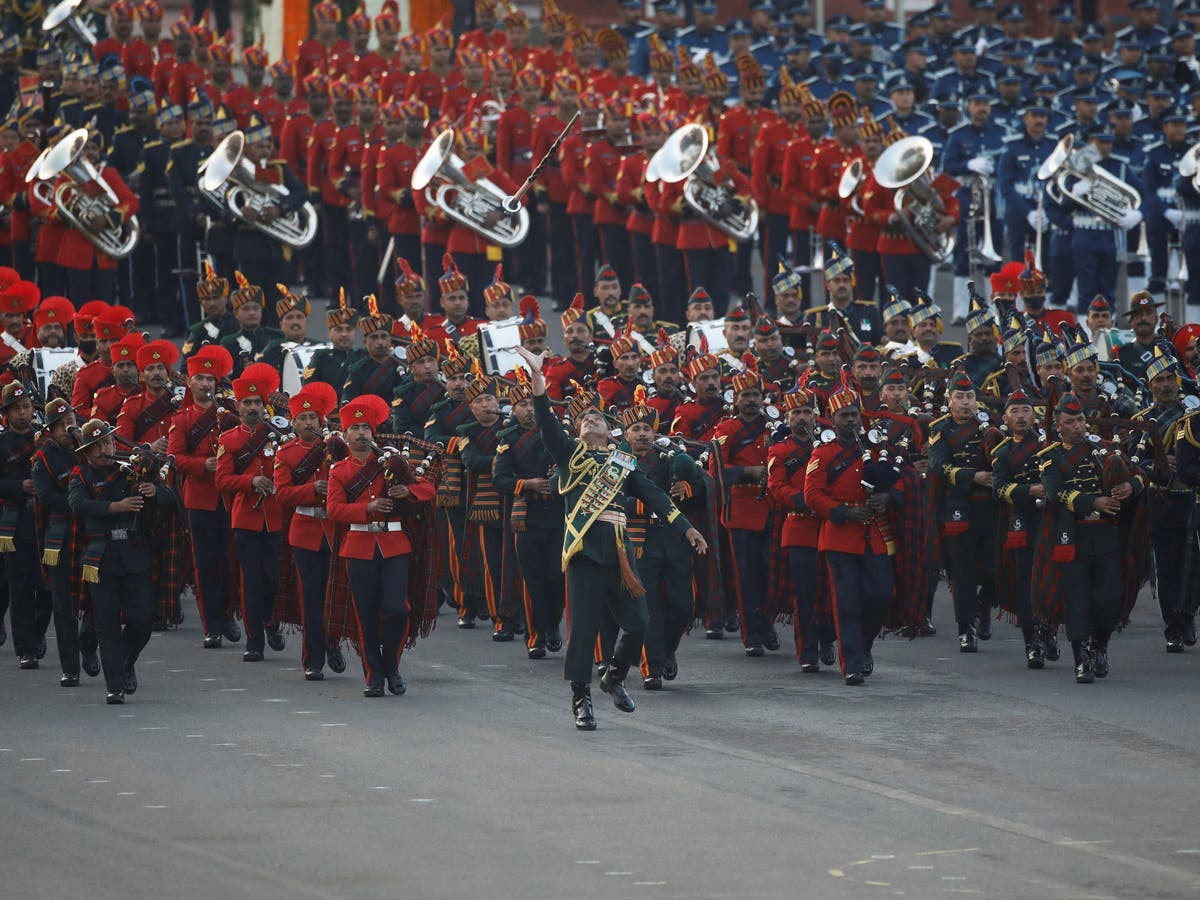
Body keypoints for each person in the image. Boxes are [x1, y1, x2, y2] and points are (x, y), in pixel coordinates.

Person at [514, 344, 707, 730]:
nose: (589, 421)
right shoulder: (570, 454)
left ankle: (615, 676)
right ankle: (581, 699)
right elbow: (547, 421)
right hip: (585, 550)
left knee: (638, 620)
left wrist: (687, 529)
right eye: (584, 419)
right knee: (583, 629)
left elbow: (654, 496)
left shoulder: (624, 462)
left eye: (596, 418)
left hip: (620, 550)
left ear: (609, 429)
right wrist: (537, 378)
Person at [326, 394, 436, 697]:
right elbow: (335, 511)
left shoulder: (391, 462)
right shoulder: (339, 471)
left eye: (366, 427)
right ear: (345, 435)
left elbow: (427, 488)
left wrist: (407, 490)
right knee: (367, 613)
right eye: (355, 428)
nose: (361, 433)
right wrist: (369, 507)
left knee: (398, 609)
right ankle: (373, 675)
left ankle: (392, 665)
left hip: (394, 544)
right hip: (359, 544)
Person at [1036, 392, 1147, 683]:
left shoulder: (1107, 449)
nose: (1077, 426)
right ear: (1058, 426)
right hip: (1073, 535)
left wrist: (1129, 487)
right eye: (1070, 422)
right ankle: (1080, 657)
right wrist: (1092, 502)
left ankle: (1100, 645)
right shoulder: (1050, 458)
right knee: (1077, 599)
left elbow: (1140, 475)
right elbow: (1057, 493)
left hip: (1107, 535)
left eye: (1081, 420)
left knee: (1108, 598)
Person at [68, 417, 177, 704]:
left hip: (134, 553)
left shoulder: (130, 470)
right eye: (97, 447)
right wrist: (115, 506)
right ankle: (114, 685)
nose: (104, 450)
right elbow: (77, 505)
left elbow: (171, 496)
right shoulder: (80, 475)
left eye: (107, 442)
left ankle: (126, 662)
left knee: (142, 619)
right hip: (100, 556)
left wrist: (156, 492)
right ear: (86, 452)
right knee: (106, 624)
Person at [804, 387, 896, 685]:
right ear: (832, 419)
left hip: (874, 533)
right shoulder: (823, 453)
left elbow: (901, 475)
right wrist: (842, 511)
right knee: (847, 602)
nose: (850, 421)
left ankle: (865, 644)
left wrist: (887, 496)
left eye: (854, 414)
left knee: (880, 595)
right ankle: (852, 663)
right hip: (840, 535)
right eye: (844, 416)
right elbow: (812, 495)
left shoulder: (874, 447)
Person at [619, 387, 706, 688]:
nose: (642, 434)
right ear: (626, 434)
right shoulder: (618, 461)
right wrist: (645, 504)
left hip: (674, 536)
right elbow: (612, 498)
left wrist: (688, 489)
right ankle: (651, 668)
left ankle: (667, 651)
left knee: (683, 606)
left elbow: (703, 486)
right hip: (639, 539)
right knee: (649, 609)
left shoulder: (669, 456)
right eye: (636, 429)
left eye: (647, 428)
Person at [167, 343, 240, 648]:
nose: (206, 384)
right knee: (206, 563)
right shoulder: (182, 420)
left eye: (211, 379)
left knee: (230, 560)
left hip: (229, 498)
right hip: (198, 499)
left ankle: (228, 614)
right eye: (201, 378)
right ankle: (211, 625)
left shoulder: (228, 414)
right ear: (189, 382)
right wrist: (203, 464)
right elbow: (173, 457)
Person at [214, 362, 287, 663]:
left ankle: (271, 621)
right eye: (247, 402)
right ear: (238, 405)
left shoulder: (278, 436)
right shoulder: (228, 440)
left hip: (275, 518)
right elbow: (222, 480)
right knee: (251, 580)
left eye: (258, 402)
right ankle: (254, 639)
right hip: (246, 519)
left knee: (273, 576)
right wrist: (250, 481)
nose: (254, 407)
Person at [274, 382, 345, 680]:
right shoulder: (287, 453)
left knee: (337, 595)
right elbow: (281, 494)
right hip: (305, 532)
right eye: (302, 419)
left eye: (312, 418)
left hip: (336, 528)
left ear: (321, 421)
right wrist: (310, 489)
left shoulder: (337, 447)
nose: (307, 423)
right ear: (293, 422)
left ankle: (332, 644)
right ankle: (312, 658)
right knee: (312, 597)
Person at [492, 373, 566, 661]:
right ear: (514, 409)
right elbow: (500, 479)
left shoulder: (560, 433)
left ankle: (553, 628)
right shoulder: (508, 441)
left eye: (532, 403)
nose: (528, 410)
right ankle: (534, 636)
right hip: (527, 517)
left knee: (556, 579)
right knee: (533, 580)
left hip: (558, 515)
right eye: (522, 404)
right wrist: (528, 484)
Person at [32, 398, 101, 687]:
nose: (66, 429)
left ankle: (88, 642)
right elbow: (46, 497)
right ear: (50, 430)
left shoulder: (89, 449)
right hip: (60, 536)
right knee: (63, 605)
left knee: (99, 598)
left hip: (91, 533)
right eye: (60, 426)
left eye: (69, 422)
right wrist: (80, 503)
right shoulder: (43, 459)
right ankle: (70, 667)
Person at [929, 370, 998, 652]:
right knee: (962, 571)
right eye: (960, 397)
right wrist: (973, 477)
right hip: (958, 506)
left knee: (995, 566)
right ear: (949, 400)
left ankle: (984, 606)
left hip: (989, 507)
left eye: (970, 397)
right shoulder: (941, 429)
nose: (966, 403)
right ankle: (965, 628)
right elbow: (939, 466)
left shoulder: (991, 426)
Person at [990, 389, 1053, 668]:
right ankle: (1032, 642)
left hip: (1052, 520)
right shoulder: (1003, 453)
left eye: (1025, 410)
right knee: (1027, 581)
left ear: (1034, 414)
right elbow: (999, 489)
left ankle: (1049, 630)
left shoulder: (1049, 445)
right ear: (1005, 418)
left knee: (1053, 579)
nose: (1020, 416)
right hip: (1022, 522)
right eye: (1014, 412)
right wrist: (1029, 490)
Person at [0, 381, 50, 669]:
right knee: (19, 587)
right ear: (7, 412)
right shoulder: (2, 443)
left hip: (44, 520)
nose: (22, 412)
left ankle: (38, 632)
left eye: (27, 407)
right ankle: (25, 648)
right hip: (15, 521)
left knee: (47, 589)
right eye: (17, 408)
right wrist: (19, 486)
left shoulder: (43, 441)